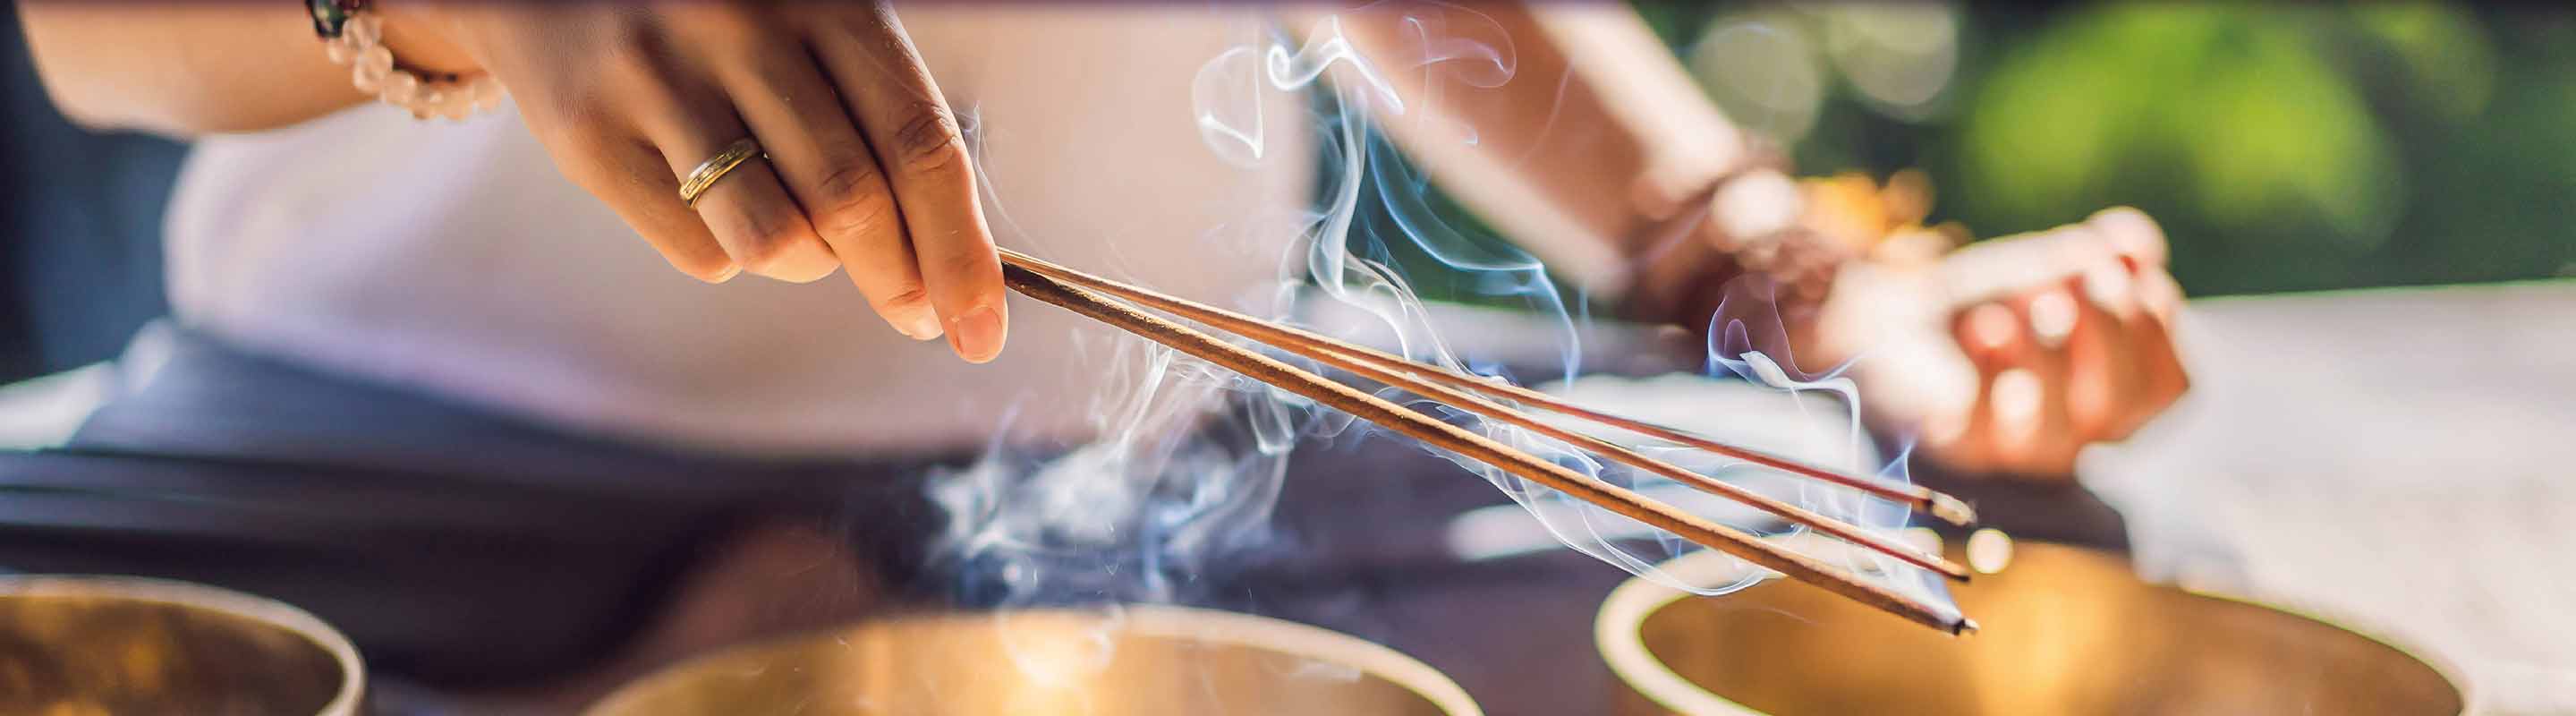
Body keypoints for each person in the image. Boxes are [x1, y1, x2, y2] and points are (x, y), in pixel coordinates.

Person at [15, 1, 2184, 708]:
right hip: (369, 463)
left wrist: (1785, 274)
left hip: (1167, 484)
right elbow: (89, 36)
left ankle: (847, 629)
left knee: (1977, 548)